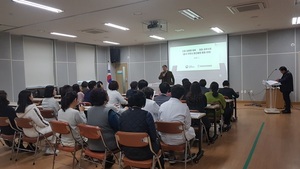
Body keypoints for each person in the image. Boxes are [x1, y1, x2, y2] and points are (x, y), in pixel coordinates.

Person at [119, 91, 164, 168]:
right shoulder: (147, 115)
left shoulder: (122, 115)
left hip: (127, 152)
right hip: (146, 153)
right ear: (143, 102)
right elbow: (153, 136)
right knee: (158, 143)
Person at [16, 90, 56, 154]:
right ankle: (50, 148)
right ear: (29, 97)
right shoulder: (32, 109)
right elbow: (41, 122)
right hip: (36, 132)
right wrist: (49, 124)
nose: (33, 96)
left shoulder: (18, 110)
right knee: (54, 127)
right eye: (32, 95)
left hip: (26, 132)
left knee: (48, 127)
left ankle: (47, 146)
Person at [87, 88, 119, 167]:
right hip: (108, 146)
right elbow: (119, 128)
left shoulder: (89, 111)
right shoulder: (109, 112)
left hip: (91, 145)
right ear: (106, 98)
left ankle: (109, 160)